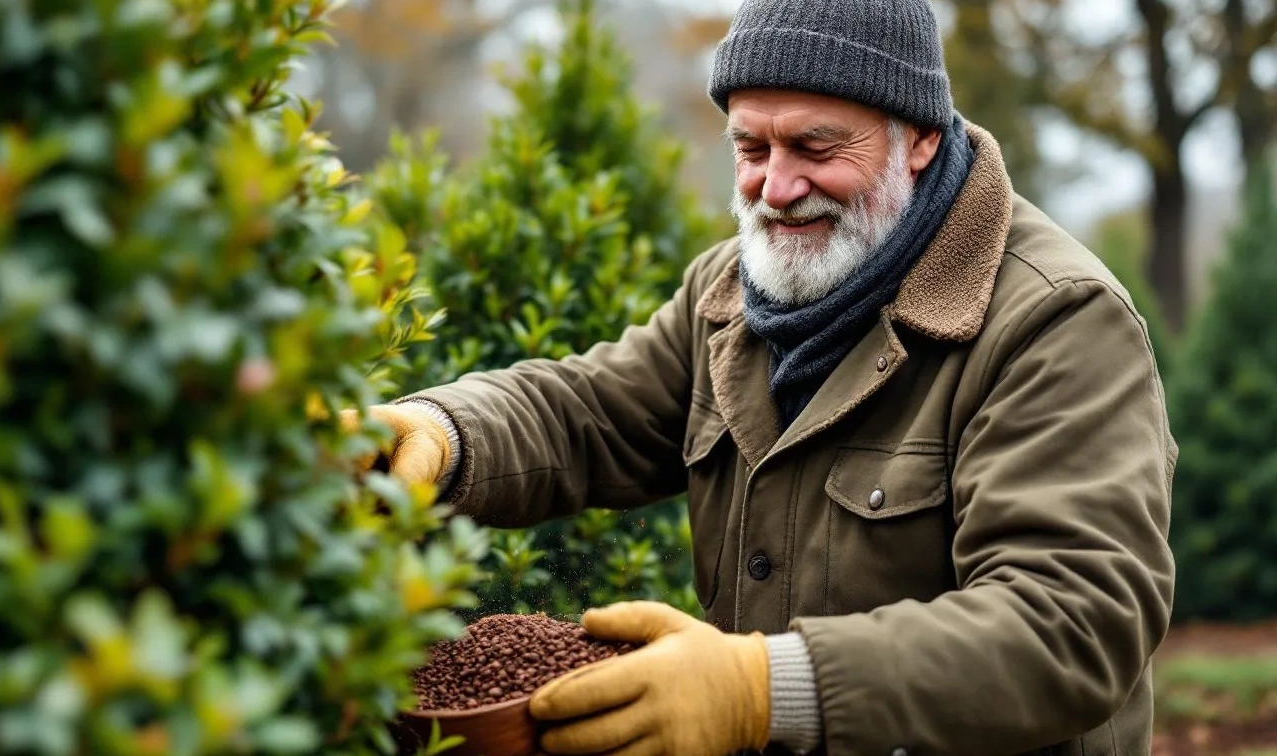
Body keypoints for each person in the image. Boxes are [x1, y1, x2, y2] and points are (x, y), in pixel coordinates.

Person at [349, 1, 1177, 754]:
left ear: (919, 137)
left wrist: (762, 689)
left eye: (817, 147)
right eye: (752, 148)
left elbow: (1069, 624)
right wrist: (442, 433)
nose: (776, 189)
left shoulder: (1056, 322)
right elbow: (590, 410)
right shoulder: (737, 293)